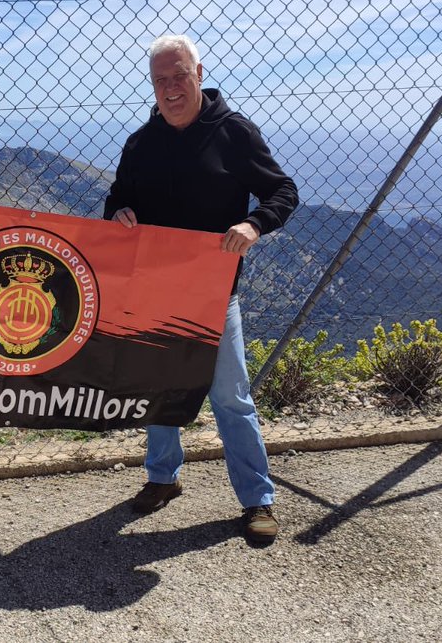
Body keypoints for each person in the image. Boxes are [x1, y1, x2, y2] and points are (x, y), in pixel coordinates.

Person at [104, 34, 298, 539]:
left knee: (231, 398)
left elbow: (283, 190)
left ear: (199, 73)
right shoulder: (141, 143)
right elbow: (117, 200)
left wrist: (255, 225)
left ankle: (258, 500)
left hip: (215, 295)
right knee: (158, 392)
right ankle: (162, 478)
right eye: (160, 81)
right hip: (155, 293)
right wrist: (119, 214)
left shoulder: (233, 133)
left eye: (179, 76)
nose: (170, 89)